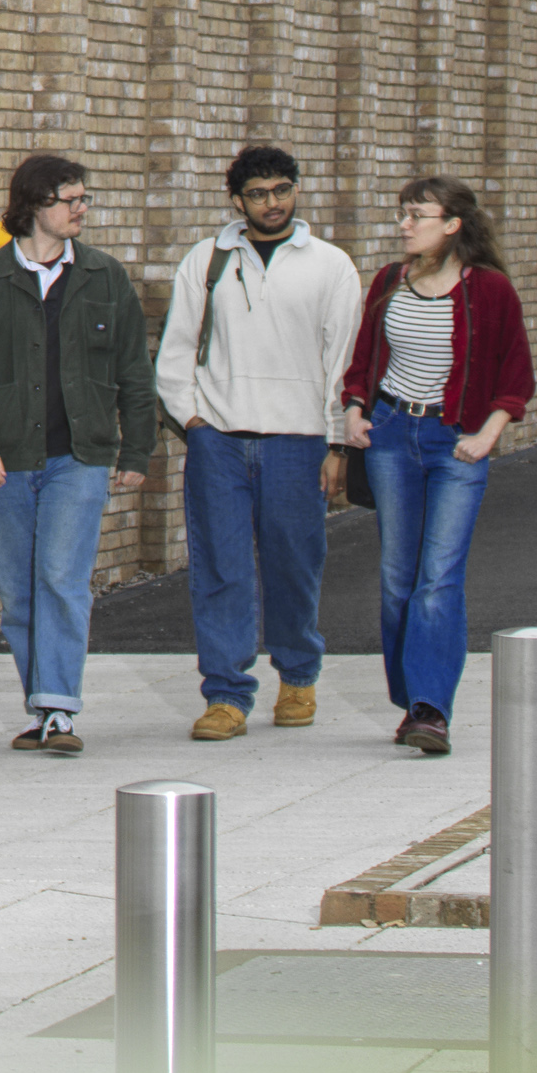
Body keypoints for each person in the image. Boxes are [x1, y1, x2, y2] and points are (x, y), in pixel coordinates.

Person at [0, 149, 166, 755]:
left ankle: (60, 710)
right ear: (36, 206)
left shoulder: (104, 277)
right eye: (72, 200)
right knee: (19, 594)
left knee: (62, 580)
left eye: (84, 199)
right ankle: (41, 706)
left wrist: (137, 452)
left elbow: (134, 372)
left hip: (79, 459)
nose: (82, 209)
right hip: (3, 465)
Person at [153, 142, 363, 743]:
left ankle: (298, 675)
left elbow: (341, 363)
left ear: (296, 190)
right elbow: (175, 349)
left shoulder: (330, 264)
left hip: (297, 442)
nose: (272, 203)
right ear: (237, 200)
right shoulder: (208, 258)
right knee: (219, 567)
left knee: (294, 565)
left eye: (282, 190)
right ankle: (226, 694)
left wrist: (336, 444)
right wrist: (193, 419)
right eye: (258, 194)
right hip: (219, 438)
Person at [341, 171, 532, 757]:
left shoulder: (490, 290)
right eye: (403, 213)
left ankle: (431, 708)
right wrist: (354, 410)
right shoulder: (389, 281)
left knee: (438, 578)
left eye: (416, 215)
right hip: (394, 436)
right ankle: (411, 699)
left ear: (452, 225)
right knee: (399, 578)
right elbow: (365, 358)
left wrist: (488, 433)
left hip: (456, 443)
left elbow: (515, 374)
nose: (404, 224)